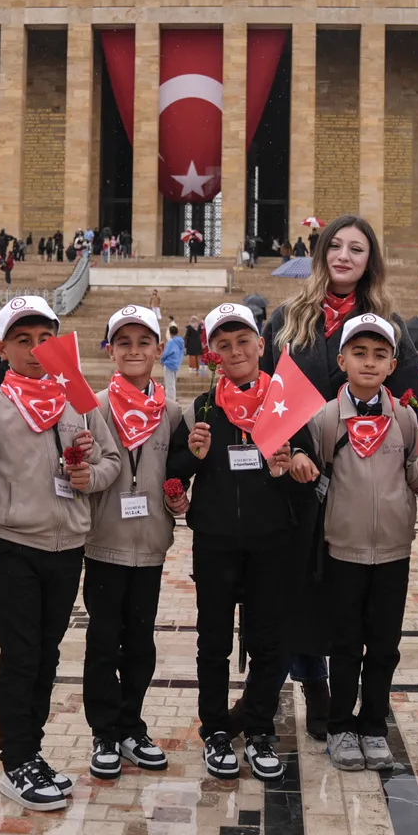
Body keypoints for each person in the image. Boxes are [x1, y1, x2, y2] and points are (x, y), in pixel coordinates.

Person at [0, 296, 121, 810]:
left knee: (46, 655)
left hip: (67, 547)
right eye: (22, 340)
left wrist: (93, 476)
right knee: (20, 655)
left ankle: (33, 753)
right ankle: (15, 760)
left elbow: (109, 458)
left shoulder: (76, 400)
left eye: (44, 338)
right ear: (1, 347)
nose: (34, 349)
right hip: (14, 546)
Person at [258, 215, 418, 738]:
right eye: (336, 245)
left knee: (352, 596)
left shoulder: (386, 326)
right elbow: (264, 396)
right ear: (321, 253)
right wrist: (285, 450)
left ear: (369, 259)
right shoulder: (287, 319)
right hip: (298, 479)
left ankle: (350, 698)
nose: (344, 256)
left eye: (356, 248)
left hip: (358, 483)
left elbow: (412, 404)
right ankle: (314, 686)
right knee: (302, 590)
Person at [166, 303, 309, 781]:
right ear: (213, 355)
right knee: (213, 641)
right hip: (217, 541)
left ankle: (260, 726)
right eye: (224, 345)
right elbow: (175, 472)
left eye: (243, 341)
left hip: (272, 542)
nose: (236, 351)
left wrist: (286, 472)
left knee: (271, 641)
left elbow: (306, 477)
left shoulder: (285, 404)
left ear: (260, 344)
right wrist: (191, 456)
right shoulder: (203, 409)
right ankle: (216, 731)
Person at [286, 315, 418, 771]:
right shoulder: (327, 418)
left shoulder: (406, 417)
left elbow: (417, 481)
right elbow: (307, 468)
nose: (369, 362)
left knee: (385, 645)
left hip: (394, 549)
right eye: (360, 353)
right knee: (346, 642)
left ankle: (373, 725)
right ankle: (340, 726)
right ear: (342, 360)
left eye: (379, 354)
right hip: (343, 549)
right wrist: (295, 460)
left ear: (392, 364)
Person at [83, 306, 187, 782]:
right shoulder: (94, 407)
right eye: (123, 342)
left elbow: (178, 472)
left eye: (143, 342)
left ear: (158, 349)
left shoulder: (171, 412)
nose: (134, 351)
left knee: (140, 643)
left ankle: (132, 725)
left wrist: (181, 498)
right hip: (104, 542)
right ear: (110, 351)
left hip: (149, 545)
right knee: (104, 641)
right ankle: (104, 731)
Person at [161, 324, 184, 400]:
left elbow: (166, 353)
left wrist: (162, 360)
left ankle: (170, 400)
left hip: (169, 364)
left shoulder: (171, 342)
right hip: (176, 364)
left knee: (169, 384)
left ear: (170, 333)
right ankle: (172, 398)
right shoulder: (181, 342)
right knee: (172, 383)